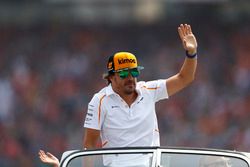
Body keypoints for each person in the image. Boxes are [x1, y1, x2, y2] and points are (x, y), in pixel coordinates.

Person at [39, 23, 198, 166]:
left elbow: (185, 78)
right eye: (124, 74)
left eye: (134, 72)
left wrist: (191, 53)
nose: (130, 78)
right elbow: (90, 145)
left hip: (152, 163)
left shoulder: (149, 91)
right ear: (111, 77)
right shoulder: (100, 100)